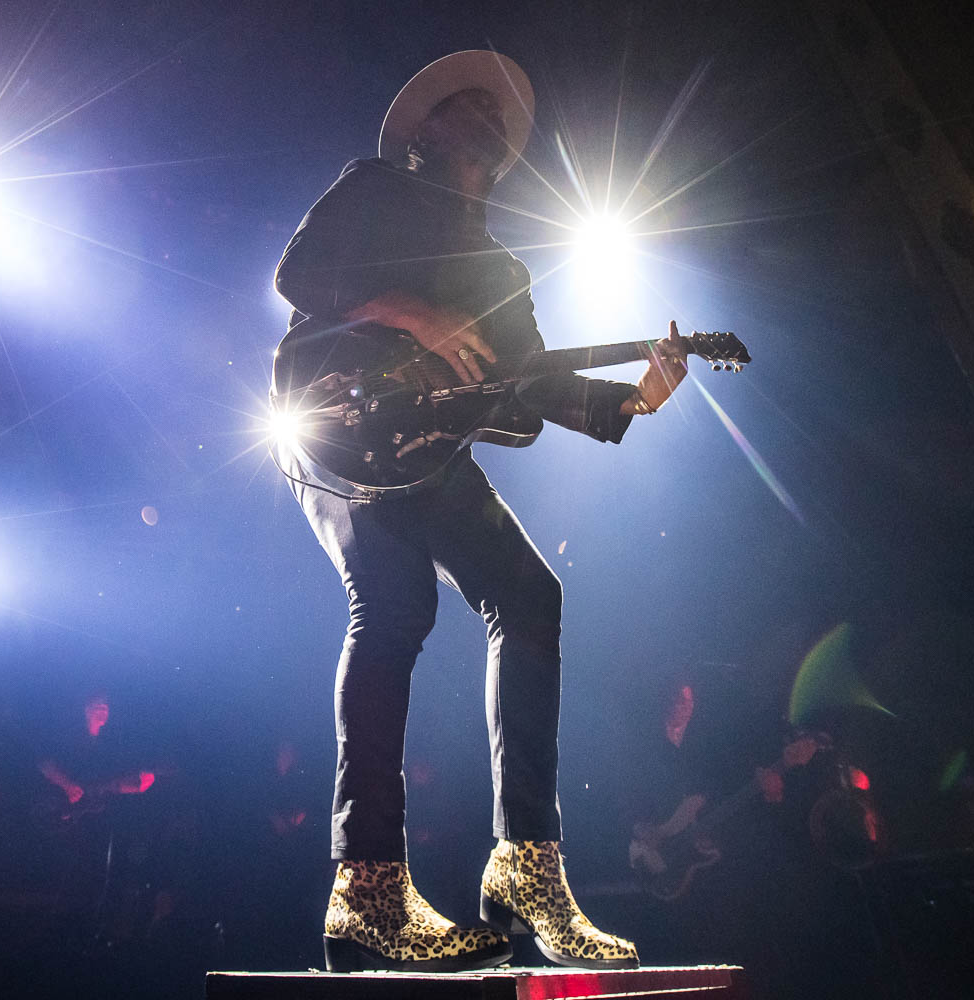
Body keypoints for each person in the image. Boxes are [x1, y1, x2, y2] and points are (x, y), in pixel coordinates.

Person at [272, 50, 690, 973]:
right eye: (466, 108)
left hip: (433, 454)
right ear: (424, 134)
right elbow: (300, 274)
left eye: (495, 117)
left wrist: (637, 398)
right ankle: (368, 884)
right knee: (395, 607)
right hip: (337, 424)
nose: (487, 120)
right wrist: (415, 314)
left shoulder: (500, 267)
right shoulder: (372, 187)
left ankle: (527, 865)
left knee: (530, 595)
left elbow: (533, 387)